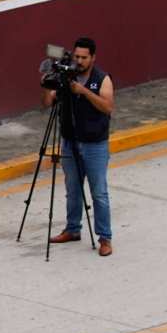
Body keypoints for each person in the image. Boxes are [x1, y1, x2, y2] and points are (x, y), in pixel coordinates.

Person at [44, 36, 118, 257]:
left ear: (93, 58)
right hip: (70, 142)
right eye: (76, 56)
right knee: (72, 190)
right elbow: (47, 103)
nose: (79, 61)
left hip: (95, 145)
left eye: (84, 57)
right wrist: (49, 83)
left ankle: (105, 238)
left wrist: (83, 92)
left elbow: (107, 107)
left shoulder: (102, 79)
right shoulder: (67, 77)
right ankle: (72, 229)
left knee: (99, 193)